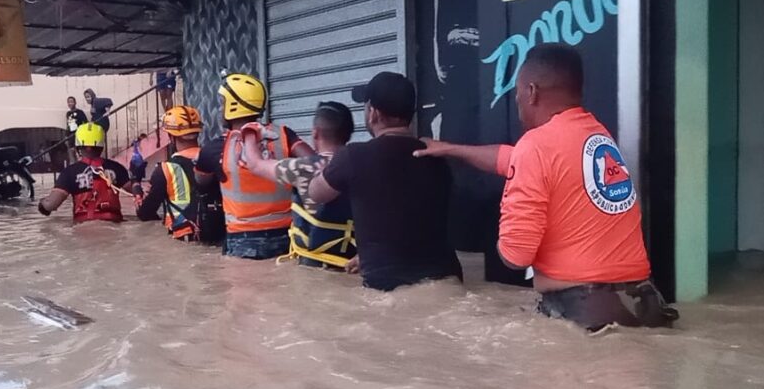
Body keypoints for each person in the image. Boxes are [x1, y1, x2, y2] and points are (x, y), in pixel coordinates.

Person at [415, 43, 677, 331]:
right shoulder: (595, 134)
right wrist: (450, 149)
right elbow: (512, 158)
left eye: (517, 92)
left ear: (531, 92)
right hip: (643, 304)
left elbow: (516, 255)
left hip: (588, 311)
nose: (517, 100)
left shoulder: (536, 146)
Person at [308, 72, 462, 291]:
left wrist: (323, 170)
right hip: (448, 280)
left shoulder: (353, 156)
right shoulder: (438, 158)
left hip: (387, 286)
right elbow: (412, 219)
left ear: (373, 113)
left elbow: (316, 193)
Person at [195, 73, 315, 259]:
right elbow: (314, 164)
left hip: (243, 239)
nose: (220, 109)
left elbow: (201, 182)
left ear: (233, 106)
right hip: (289, 236)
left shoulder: (215, 148)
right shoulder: (284, 135)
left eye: (223, 103)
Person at [237, 101, 356, 269]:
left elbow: (255, 164)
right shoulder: (363, 167)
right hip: (353, 265)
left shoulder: (303, 168)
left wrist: (249, 132)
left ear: (315, 133)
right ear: (349, 135)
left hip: (313, 269)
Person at [137, 106, 225, 243]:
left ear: (171, 137)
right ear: (198, 133)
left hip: (185, 237)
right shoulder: (218, 160)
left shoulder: (165, 170)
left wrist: (138, 194)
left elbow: (146, 213)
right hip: (220, 234)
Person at [39, 122, 131, 223]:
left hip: (83, 226)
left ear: (78, 145)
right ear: (101, 145)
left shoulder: (69, 172)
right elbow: (136, 193)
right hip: (114, 224)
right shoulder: (117, 168)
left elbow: (51, 204)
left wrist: (42, 204)